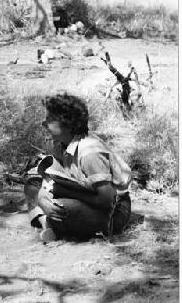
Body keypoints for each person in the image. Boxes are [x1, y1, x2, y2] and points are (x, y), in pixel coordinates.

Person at [24, 93, 132, 242]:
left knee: (62, 207)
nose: (43, 124)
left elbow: (107, 200)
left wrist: (65, 192)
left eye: (49, 120)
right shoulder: (59, 143)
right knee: (32, 185)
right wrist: (42, 199)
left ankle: (51, 224)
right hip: (83, 192)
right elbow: (50, 177)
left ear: (67, 123)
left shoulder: (90, 153)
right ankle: (47, 224)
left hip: (114, 211)